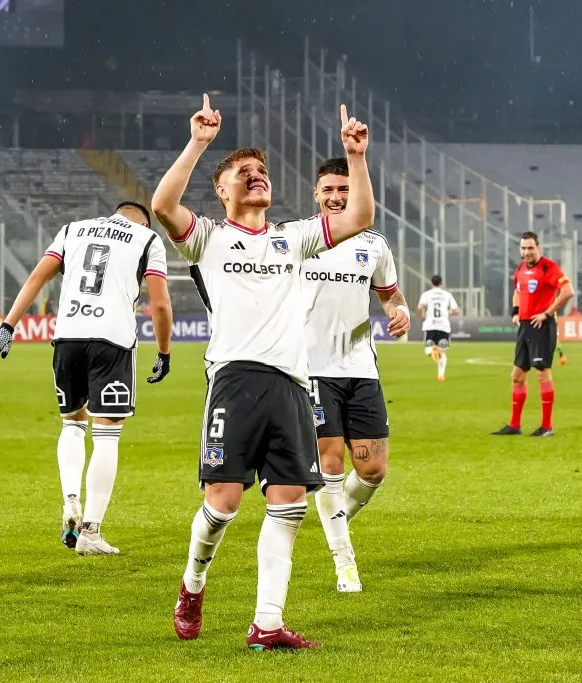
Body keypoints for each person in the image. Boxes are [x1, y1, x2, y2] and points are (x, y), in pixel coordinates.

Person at [153, 95, 374, 650]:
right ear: (222, 190)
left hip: (293, 386)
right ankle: (192, 583)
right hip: (234, 378)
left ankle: (267, 623)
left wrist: (356, 158)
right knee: (223, 502)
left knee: (290, 506)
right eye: (243, 175)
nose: (256, 178)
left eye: (262, 173)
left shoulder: (294, 236)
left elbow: (362, 217)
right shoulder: (208, 237)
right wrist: (200, 142)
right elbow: (161, 204)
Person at [0, 201, 173, 555]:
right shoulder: (147, 239)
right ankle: (90, 531)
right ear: (143, 220)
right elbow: (161, 303)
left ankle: (70, 498)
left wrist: (7, 325)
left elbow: (36, 277)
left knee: (72, 426)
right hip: (111, 340)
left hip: (68, 336)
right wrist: (164, 352)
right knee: (107, 435)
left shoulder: (73, 229)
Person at [299, 156, 410, 594]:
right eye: (328, 189)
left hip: (360, 368)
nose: (336, 197)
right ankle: (345, 564)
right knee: (329, 464)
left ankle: (332, 519)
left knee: (374, 469)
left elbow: (390, 294)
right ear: (316, 194)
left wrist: (398, 312)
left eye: (344, 190)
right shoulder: (301, 240)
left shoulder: (374, 244)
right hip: (312, 369)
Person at [492, 231, 574, 437]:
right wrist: (516, 312)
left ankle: (547, 426)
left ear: (538, 248)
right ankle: (515, 425)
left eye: (530, 248)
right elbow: (518, 291)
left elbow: (568, 291)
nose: (527, 252)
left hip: (542, 327)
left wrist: (547, 313)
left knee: (542, 373)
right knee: (517, 376)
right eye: (523, 248)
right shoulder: (519, 269)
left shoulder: (549, 267)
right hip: (525, 327)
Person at [417, 275, 459, 382]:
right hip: (443, 326)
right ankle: (441, 375)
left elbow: (420, 307)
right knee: (443, 351)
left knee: (428, 350)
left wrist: (421, 316)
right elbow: (456, 310)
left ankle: (432, 350)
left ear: (431, 283)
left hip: (430, 325)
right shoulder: (447, 295)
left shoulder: (426, 294)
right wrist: (447, 311)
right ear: (441, 284)